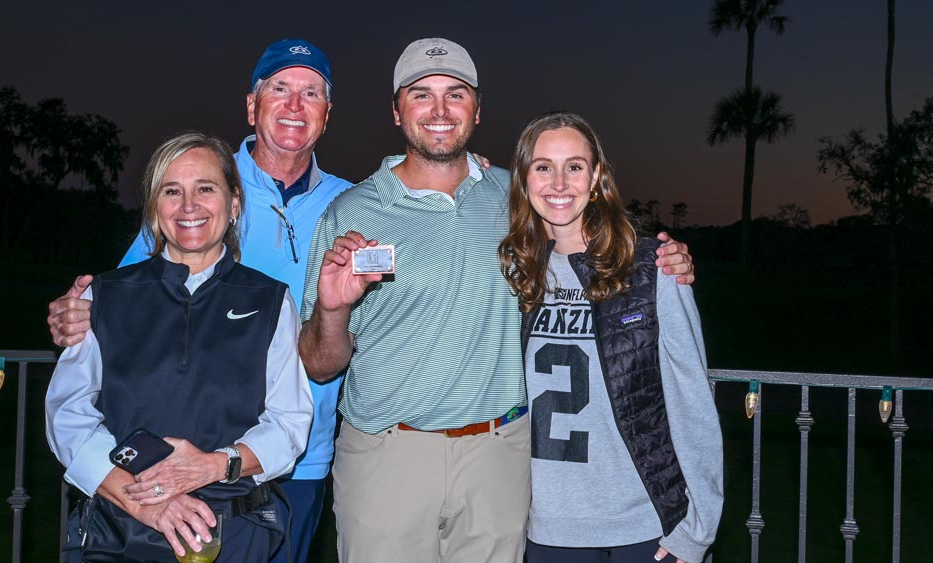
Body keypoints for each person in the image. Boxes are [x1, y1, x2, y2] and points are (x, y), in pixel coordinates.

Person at [298, 38, 696, 563]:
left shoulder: (518, 201)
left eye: (456, 95)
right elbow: (320, 366)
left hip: (500, 458)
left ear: (477, 110)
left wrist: (664, 258)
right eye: (421, 95)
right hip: (386, 457)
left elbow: (592, 235)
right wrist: (333, 309)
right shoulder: (350, 212)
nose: (439, 110)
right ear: (397, 112)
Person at [46, 39, 352, 563]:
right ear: (251, 105)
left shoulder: (354, 202)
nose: (294, 105)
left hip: (282, 473)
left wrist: (465, 168)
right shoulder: (199, 168)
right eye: (279, 89)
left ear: (327, 113)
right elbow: (125, 316)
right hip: (136, 493)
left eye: (311, 93)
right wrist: (75, 312)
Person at [498, 111, 723, 563]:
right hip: (545, 528)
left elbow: (691, 399)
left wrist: (698, 528)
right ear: (524, 178)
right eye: (543, 166)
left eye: (574, 166)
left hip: (645, 525)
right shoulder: (512, 273)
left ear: (596, 175)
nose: (559, 183)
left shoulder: (650, 269)